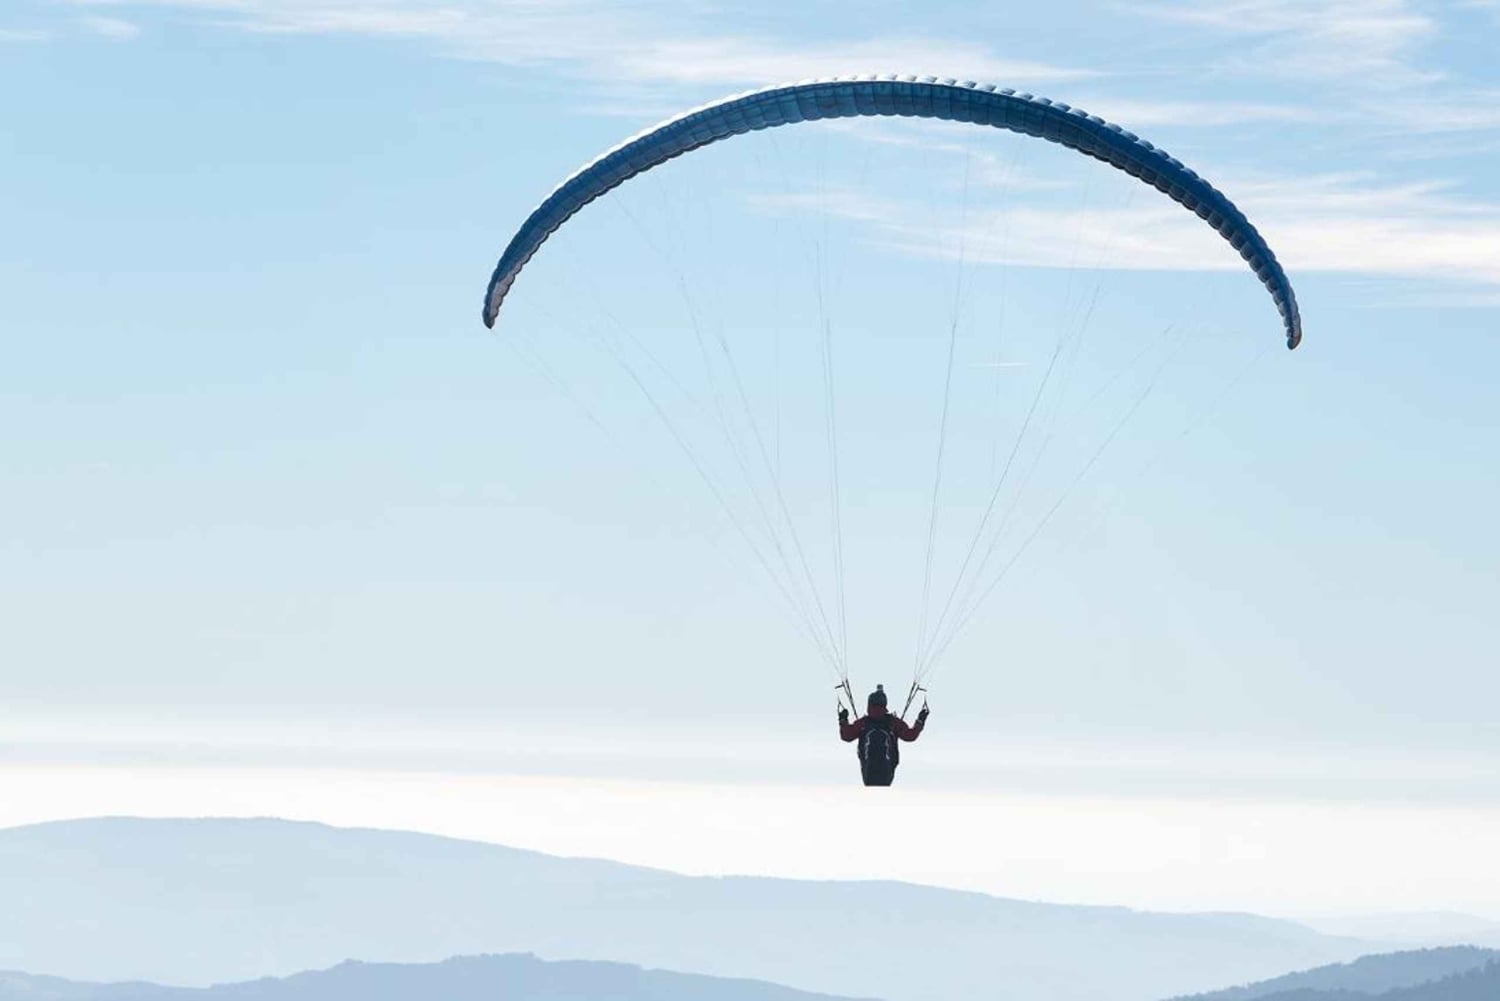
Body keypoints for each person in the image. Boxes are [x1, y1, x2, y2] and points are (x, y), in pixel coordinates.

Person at [838, 684, 929, 786]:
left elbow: (846, 736)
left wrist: (843, 720)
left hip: (868, 773)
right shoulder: (893, 722)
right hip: (887, 771)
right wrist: (920, 720)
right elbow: (910, 736)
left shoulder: (863, 723)